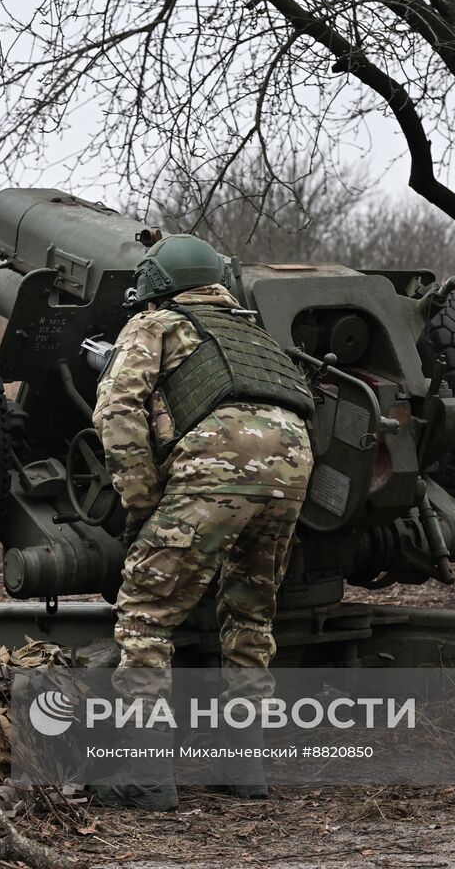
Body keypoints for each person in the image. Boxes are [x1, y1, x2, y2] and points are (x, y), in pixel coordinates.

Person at [90, 234, 316, 809]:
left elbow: (116, 412)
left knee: (146, 612)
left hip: (217, 468)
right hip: (291, 469)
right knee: (251, 614)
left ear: (159, 282)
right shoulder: (249, 329)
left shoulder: (157, 323)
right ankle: (243, 768)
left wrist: (142, 507)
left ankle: (144, 775)